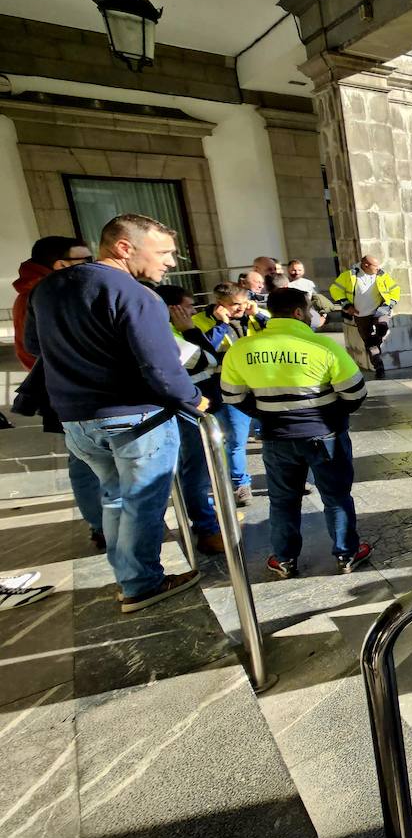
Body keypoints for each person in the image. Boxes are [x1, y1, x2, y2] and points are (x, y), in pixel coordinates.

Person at [26, 214, 208, 613]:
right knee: (142, 502)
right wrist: (195, 398)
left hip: (77, 419)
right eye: (164, 253)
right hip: (136, 419)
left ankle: (128, 576)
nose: (171, 262)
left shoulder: (46, 289)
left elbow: (35, 347)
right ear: (125, 247)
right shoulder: (137, 294)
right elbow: (161, 368)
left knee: (113, 498)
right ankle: (142, 583)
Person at [219, 288, 371, 578]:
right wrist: (330, 414)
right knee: (336, 496)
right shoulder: (323, 347)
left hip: (276, 438)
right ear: (299, 313)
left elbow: (232, 397)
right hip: (324, 434)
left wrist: (268, 414)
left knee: (282, 501)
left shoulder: (242, 349)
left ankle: (285, 559)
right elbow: (355, 394)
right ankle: (346, 554)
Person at [10, 236, 105, 551]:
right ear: (62, 265)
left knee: (88, 459)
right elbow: (31, 351)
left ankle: (105, 522)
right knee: (84, 461)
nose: (93, 265)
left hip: (72, 388)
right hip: (68, 391)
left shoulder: (52, 290)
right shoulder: (36, 296)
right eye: (86, 259)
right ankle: (101, 524)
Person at [157, 284, 225, 555]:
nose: (193, 311)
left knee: (195, 468)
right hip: (189, 410)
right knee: (194, 470)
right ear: (172, 309)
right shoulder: (169, 333)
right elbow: (207, 358)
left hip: (194, 407)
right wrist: (189, 329)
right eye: (187, 306)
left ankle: (206, 518)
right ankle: (205, 527)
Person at [192, 283, 257, 506]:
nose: (242, 308)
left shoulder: (253, 314)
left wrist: (256, 317)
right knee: (236, 441)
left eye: (244, 302)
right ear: (221, 305)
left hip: (259, 385)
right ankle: (241, 484)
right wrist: (221, 325)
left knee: (271, 436)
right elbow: (202, 352)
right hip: (226, 390)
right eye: (235, 305)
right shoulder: (200, 321)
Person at [330, 254, 401, 378]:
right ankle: (379, 367)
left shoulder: (381, 275)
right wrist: (346, 305)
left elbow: (395, 290)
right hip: (361, 315)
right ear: (366, 265)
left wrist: (388, 305)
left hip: (380, 311)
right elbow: (335, 289)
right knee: (370, 344)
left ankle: (378, 336)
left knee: (382, 326)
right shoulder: (349, 276)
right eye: (375, 266)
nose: (378, 268)